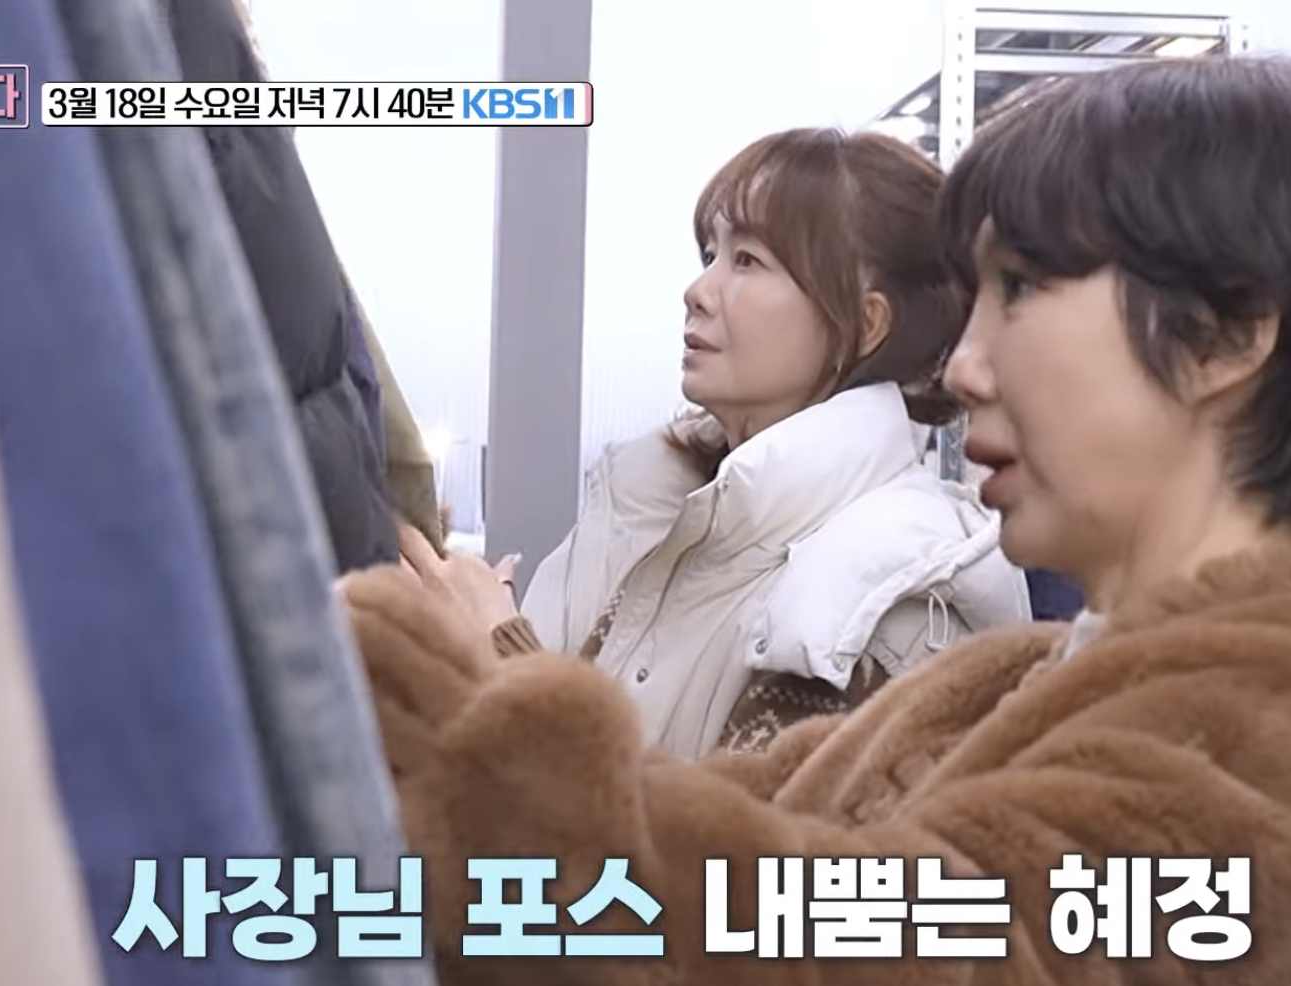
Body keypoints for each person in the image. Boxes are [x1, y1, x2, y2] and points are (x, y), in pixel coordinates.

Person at [342, 57, 1291, 984]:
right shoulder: (1028, 677)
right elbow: (750, 839)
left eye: (1022, 288)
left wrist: (454, 703)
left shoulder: (1285, 738)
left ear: (1225, 335)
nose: (965, 364)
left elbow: (849, 943)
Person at [442, 127, 1032, 759]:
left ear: (865, 326)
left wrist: (501, 656)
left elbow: (720, 830)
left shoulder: (891, 596)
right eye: (709, 255)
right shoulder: (658, 509)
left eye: (748, 260)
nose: (697, 291)